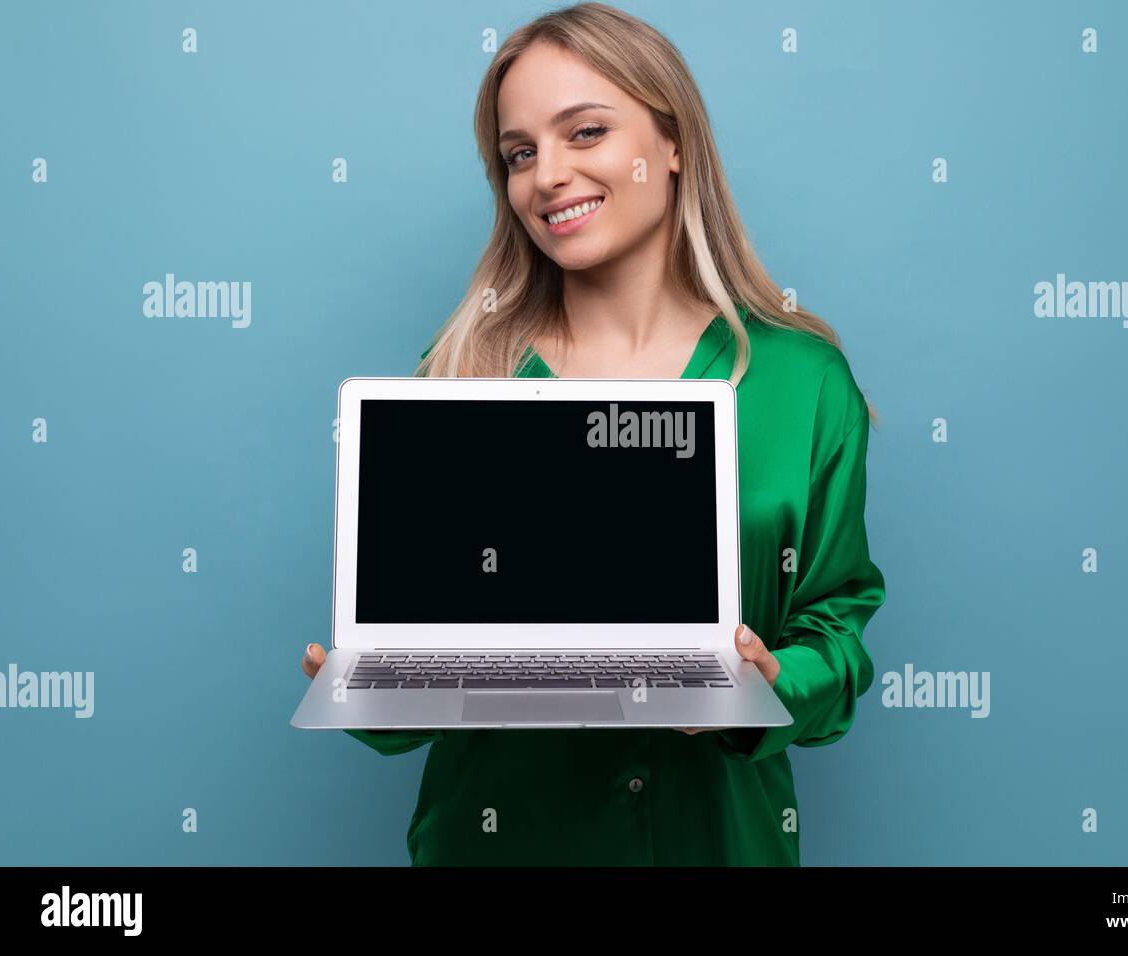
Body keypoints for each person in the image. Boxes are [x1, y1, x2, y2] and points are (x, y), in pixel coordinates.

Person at [301, 1, 886, 866]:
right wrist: (374, 688)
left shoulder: (805, 383)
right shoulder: (465, 369)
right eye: (520, 154)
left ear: (673, 141)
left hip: (717, 844)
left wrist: (771, 681)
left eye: (585, 132)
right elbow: (420, 694)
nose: (547, 176)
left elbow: (837, 631)